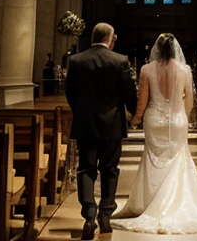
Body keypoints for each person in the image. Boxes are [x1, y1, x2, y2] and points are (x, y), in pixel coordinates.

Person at [112, 33, 197, 234]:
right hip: (177, 121)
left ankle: (149, 204)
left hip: (154, 120)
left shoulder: (146, 70)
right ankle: (177, 204)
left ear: (156, 49)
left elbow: (142, 101)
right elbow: (190, 101)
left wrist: (135, 120)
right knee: (178, 159)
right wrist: (182, 117)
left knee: (153, 160)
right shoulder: (185, 70)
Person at [66, 22, 137, 240]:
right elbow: (128, 93)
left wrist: (81, 112)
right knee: (110, 169)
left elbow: (70, 93)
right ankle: (106, 215)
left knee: (86, 169)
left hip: (85, 123)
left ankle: (89, 215)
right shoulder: (120, 60)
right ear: (110, 38)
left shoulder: (76, 60)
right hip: (112, 124)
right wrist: (135, 114)